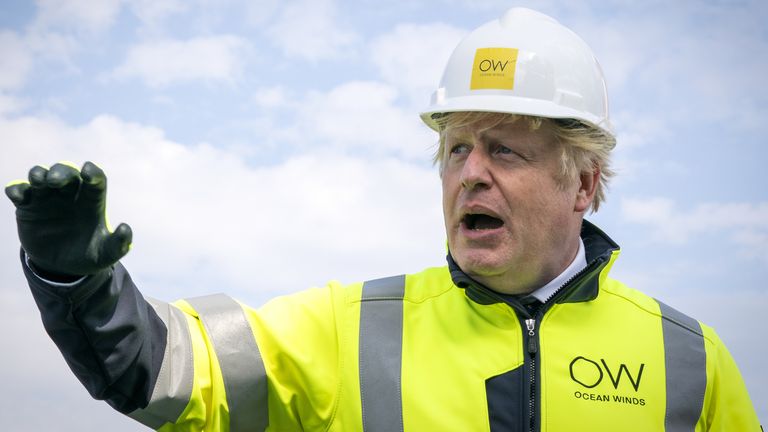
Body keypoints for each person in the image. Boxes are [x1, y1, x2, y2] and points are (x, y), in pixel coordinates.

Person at [5, 7, 760, 432]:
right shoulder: (351, 329)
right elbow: (170, 370)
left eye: (503, 148)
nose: (470, 172)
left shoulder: (691, 361)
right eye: (456, 147)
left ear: (584, 184)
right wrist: (75, 278)